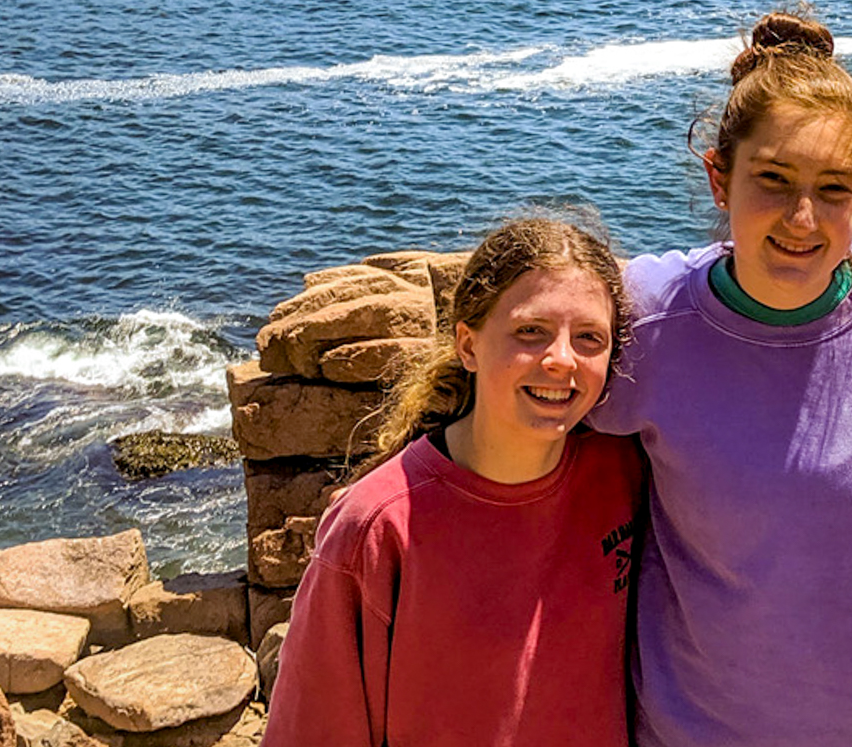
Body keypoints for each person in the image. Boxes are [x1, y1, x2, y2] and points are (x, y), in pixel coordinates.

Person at [588, 10, 852, 747]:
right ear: (718, 178)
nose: (802, 218)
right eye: (772, 179)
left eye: (834, 189)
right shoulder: (643, 318)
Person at [263, 217, 646, 747]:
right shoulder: (376, 527)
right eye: (530, 331)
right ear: (468, 344)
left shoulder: (623, 473)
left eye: (588, 338)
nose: (561, 359)